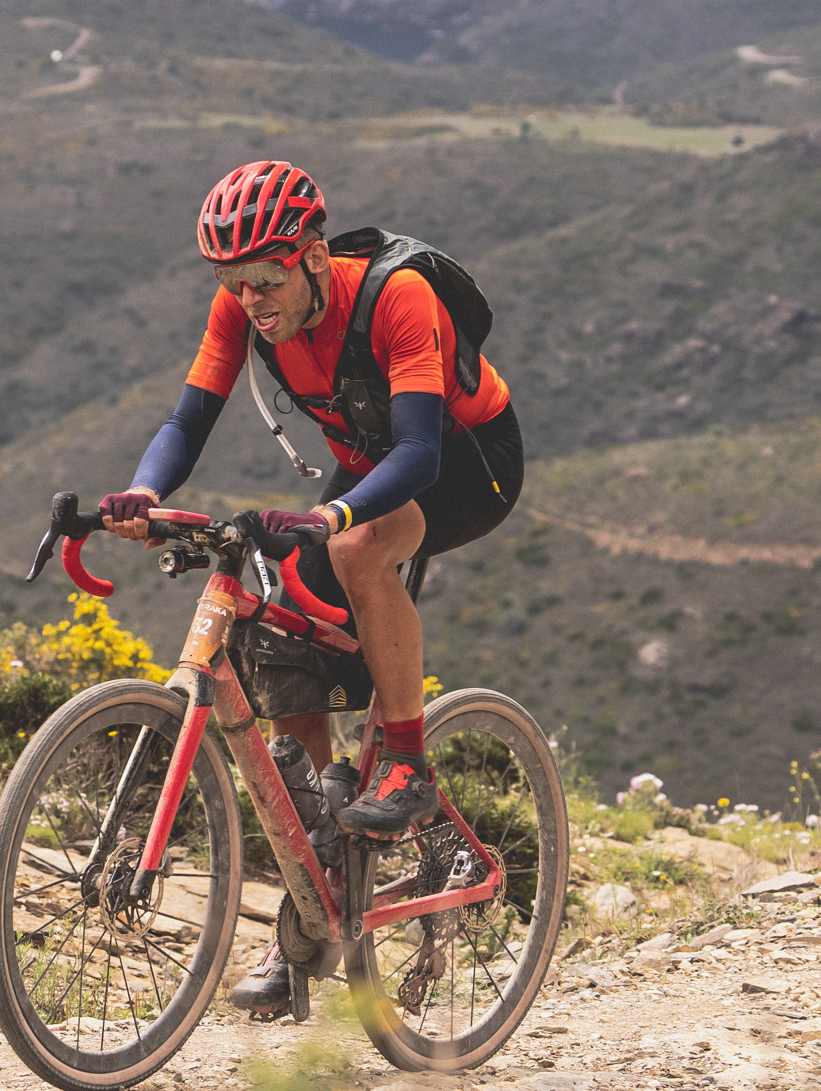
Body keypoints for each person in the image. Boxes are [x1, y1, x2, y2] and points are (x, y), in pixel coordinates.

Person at [100, 160, 523, 1010]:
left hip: (463, 465)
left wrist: (332, 520)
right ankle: (313, 896)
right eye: (231, 282)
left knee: (361, 552)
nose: (250, 299)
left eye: (264, 279)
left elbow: (419, 453)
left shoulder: (397, 297)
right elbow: (190, 418)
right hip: (372, 465)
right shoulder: (245, 306)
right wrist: (146, 493)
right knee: (274, 608)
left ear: (314, 255)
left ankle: (406, 763)